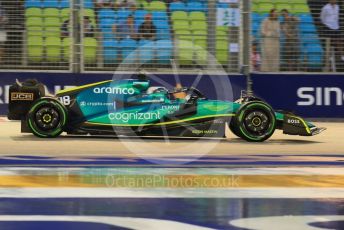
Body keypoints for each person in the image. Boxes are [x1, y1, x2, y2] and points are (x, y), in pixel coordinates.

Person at [320, 0, 344, 68]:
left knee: (340, 41)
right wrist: (327, 24)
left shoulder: (337, 6)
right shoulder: (325, 8)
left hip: (336, 27)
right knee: (330, 42)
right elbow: (322, 18)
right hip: (328, 27)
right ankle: (330, 56)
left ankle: (342, 56)